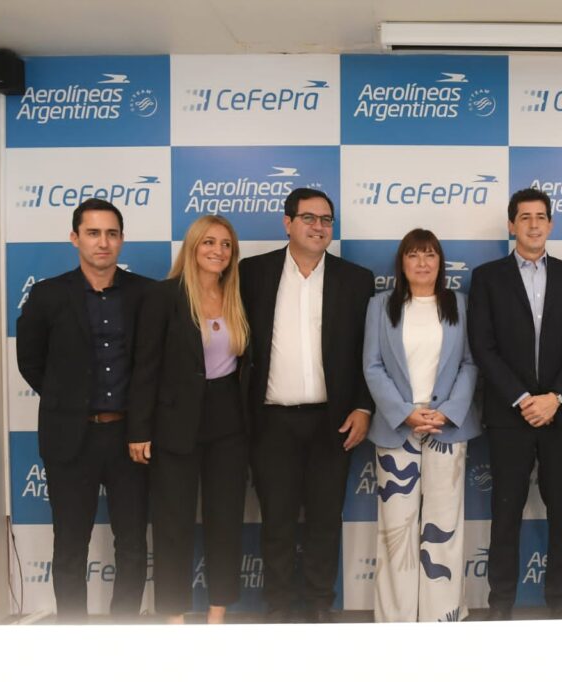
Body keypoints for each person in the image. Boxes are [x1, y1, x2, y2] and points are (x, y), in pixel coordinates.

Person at [239, 188, 374, 623]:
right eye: (309, 218)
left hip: (332, 421)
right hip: (271, 421)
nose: (319, 227)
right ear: (288, 223)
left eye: (326, 220)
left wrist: (363, 407)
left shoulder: (355, 279)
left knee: (324, 519)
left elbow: (368, 352)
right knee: (276, 518)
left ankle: (319, 603)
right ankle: (278, 604)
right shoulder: (252, 273)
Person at [16, 198, 151, 622]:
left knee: (133, 544)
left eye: (111, 233)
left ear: (122, 239)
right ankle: (72, 636)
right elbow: (30, 361)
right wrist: (69, 401)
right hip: (71, 438)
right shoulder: (48, 295)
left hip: (131, 438)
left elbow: (154, 364)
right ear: (75, 238)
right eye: (93, 233)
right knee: (70, 545)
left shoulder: (146, 293)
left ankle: (124, 631)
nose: (102, 242)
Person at [468, 187, 562, 620]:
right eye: (525, 217)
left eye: (541, 217)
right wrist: (524, 399)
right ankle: (500, 606)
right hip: (510, 416)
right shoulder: (488, 277)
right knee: (505, 515)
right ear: (512, 224)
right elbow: (483, 346)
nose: (534, 224)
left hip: (559, 415)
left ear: (551, 224)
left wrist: (555, 398)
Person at [127, 215, 251, 624]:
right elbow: (145, 366)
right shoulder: (164, 296)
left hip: (229, 425)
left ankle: (218, 612)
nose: (218, 251)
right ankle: (174, 616)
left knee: (225, 521)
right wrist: (139, 429)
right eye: (209, 242)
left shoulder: (238, 295)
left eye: (226, 244)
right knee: (172, 524)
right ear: (193, 247)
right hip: (174, 424)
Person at [363, 228, 481, 622]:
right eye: (413, 255)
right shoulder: (381, 306)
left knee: (443, 525)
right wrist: (404, 412)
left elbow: (470, 363)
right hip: (397, 427)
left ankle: (442, 617)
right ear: (402, 262)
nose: (422, 262)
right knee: (396, 530)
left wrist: (447, 411)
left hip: (447, 427)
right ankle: (396, 620)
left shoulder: (459, 304)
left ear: (440, 262)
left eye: (430, 255)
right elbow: (372, 366)